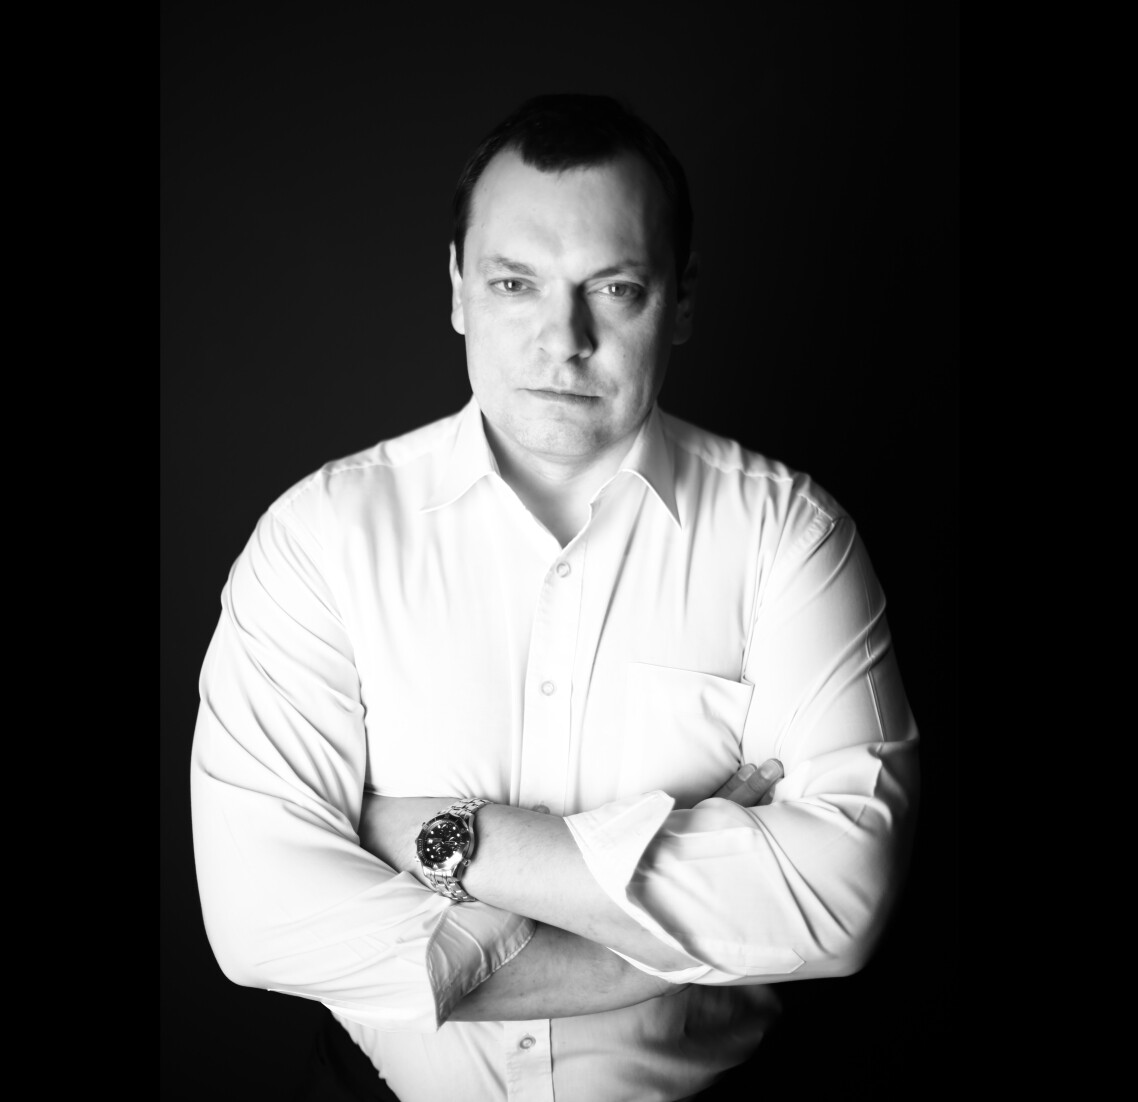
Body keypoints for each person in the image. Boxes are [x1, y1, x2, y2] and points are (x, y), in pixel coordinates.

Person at [190, 93, 919, 1102]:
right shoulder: (318, 538)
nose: (563, 337)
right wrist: (623, 961)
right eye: (514, 283)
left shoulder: (790, 536)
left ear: (682, 298)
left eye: (614, 288)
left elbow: (843, 897)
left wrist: (443, 839)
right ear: (457, 290)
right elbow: (262, 921)